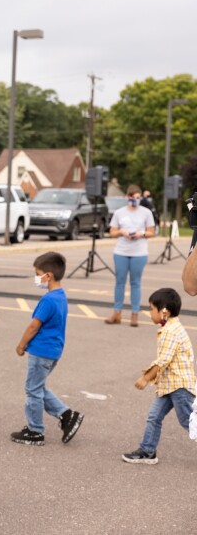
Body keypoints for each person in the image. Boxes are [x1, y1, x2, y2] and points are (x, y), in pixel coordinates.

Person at [11, 252, 84, 446]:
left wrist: (21, 345)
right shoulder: (61, 296)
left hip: (41, 351)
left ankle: (36, 430)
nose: (37, 278)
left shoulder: (48, 300)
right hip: (53, 351)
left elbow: (34, 325)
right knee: (37, 387)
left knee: (32, 390)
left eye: (38, 274)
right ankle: (68, 415)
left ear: (48, 275)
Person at [122, 288, 196, 464]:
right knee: (154, 416)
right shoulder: (171, 327)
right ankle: (147, 451)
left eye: (151, 309)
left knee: (189, 422)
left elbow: (163, 361)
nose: (149, 313)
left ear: (164, 311)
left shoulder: (170, 332)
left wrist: (145, 378)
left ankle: (147, 450)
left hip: (179, 387)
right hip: (169, 385)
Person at [105, 185, 156, 327]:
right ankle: (117, 312)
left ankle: (135, 314)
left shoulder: (146, 212)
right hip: (121, 251)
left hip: (139, 252)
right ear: (127, 197)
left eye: (137, 198)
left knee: (136, 283)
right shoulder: (119, 212)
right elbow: (112, 232)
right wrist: (122, 231)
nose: (135, 200)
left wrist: (142, 234)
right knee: (119, 282)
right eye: (132, 197)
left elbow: (152, 232)